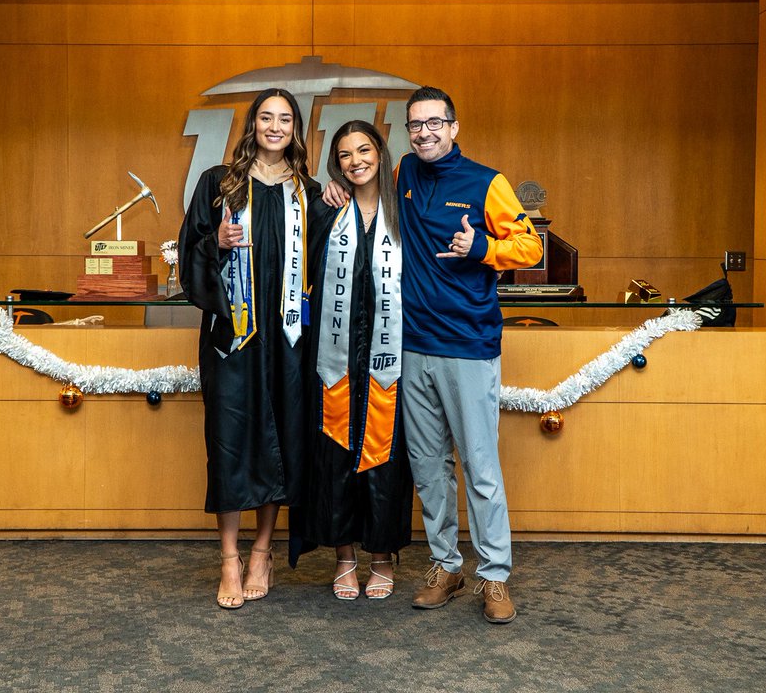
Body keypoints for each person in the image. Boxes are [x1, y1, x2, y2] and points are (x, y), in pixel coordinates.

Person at [323, 86, 542, 623]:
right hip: (409, 348)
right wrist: (332, 188)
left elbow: (531, 247)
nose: (424, 132)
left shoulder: (487, 182)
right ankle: (446, 565)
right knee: (428, 468)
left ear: (454, 126)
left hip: (468, 346)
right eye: (415, 124)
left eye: (434, 123)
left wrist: (484, 248)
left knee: (480, 469)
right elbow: (363, 191)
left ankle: (494, 576)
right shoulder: (404, 174)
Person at [178, 88, 319, 609]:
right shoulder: (219, 183)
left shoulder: (309, 191)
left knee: (282, 434)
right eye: (266, 117)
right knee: (231, 440)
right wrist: (214, 242)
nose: (275, 126)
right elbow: (189, 253)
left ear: (296, 129)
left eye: (285, 119)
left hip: (288, 340)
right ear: (252, 125)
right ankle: (229, 558)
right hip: (232, 338)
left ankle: (263, 551)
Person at [301, 121, 414, 601]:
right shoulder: (328, 211)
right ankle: (345, 557)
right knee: (337, 452)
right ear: (335, 163)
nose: (355, 161)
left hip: (391, 353)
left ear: (381, 152)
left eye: (363, 150)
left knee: (387, 456)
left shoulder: (403, 210)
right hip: (335, 353)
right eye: (344, 155)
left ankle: (382, 557)